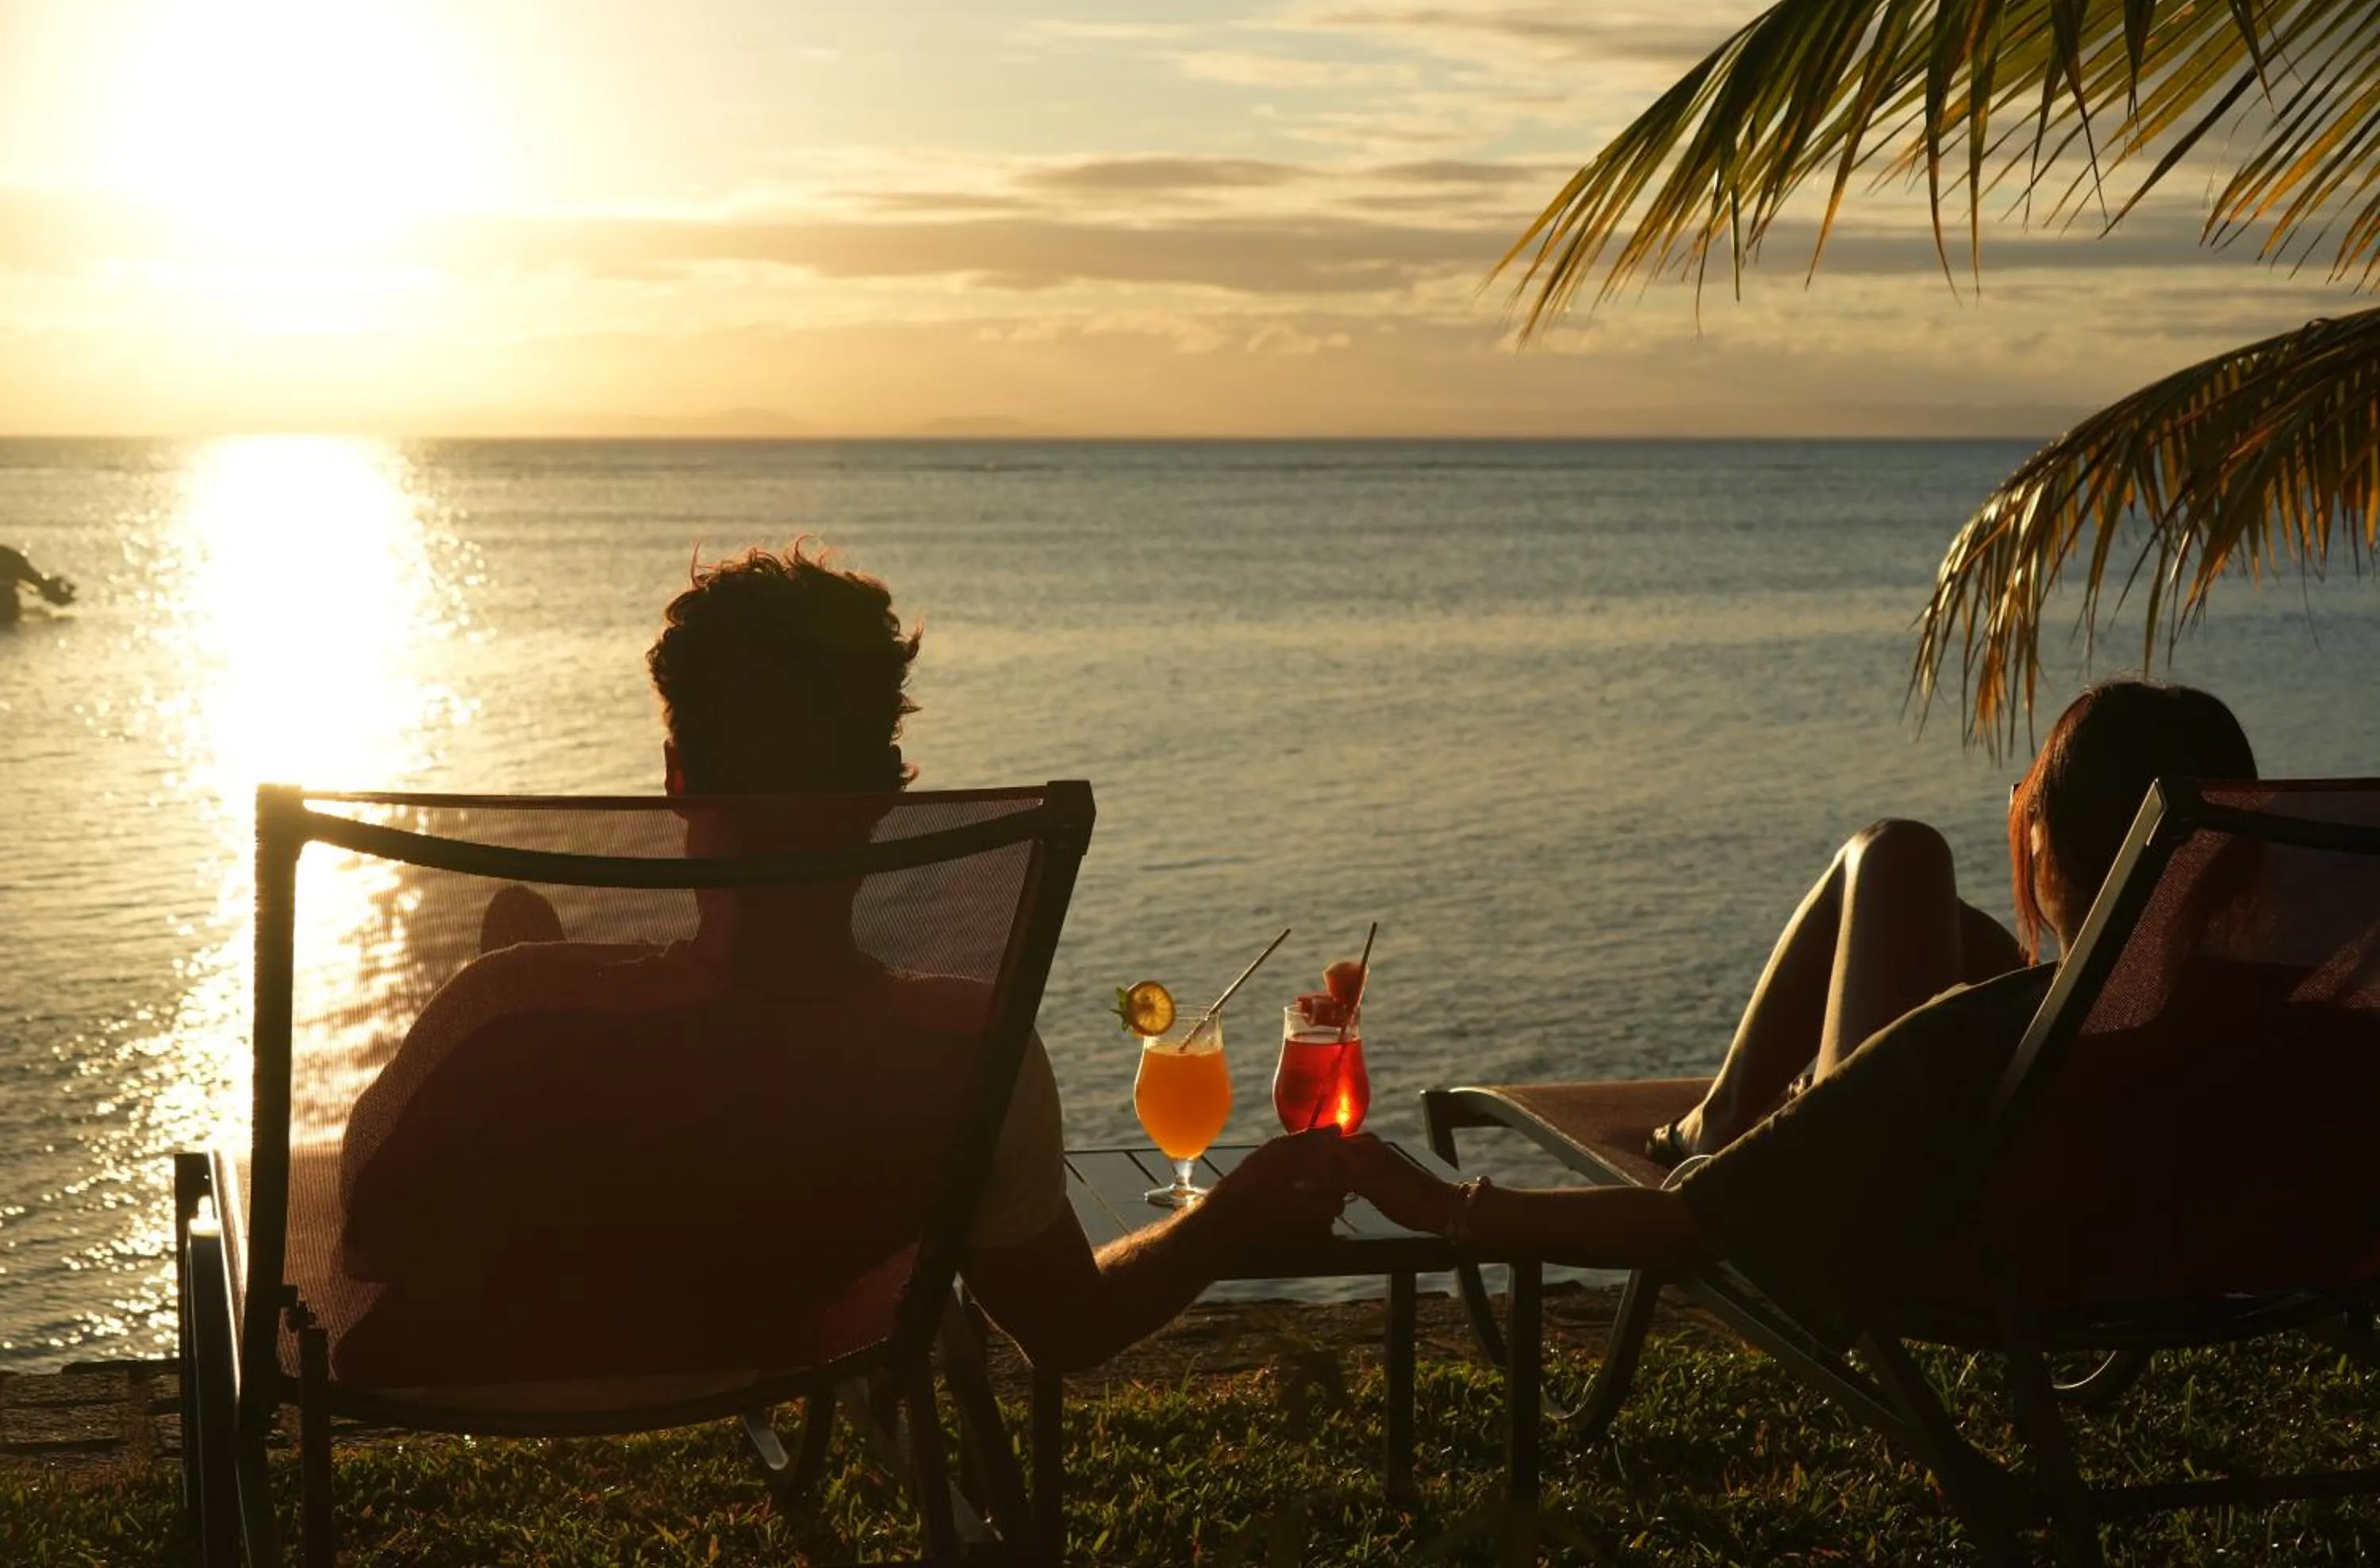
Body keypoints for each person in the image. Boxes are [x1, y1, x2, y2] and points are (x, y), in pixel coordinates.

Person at [336, 540, 1347, 1384]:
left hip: (502, 1345)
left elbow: (369, 1220)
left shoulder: (510, 1009)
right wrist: (1230, 1212)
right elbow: (1067, 1324)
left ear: (678, 783)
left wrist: (533, 1001)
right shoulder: (973, 1050)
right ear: (889, 795)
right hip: (778, 1333)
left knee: (526, 943)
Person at [1338, 680, 2259, 1338]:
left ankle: (1722, 1120)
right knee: (1909, 882)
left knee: (1895, 850)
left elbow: (1690, 1224)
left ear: (2053, 843)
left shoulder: (1982, 1035)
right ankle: (1728, 1111)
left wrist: (1442, 1201)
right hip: (2160, 1240)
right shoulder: (2284, 1017)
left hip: (1907, 1233)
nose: (2019, 815)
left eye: (2031, 803)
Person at [0, 546, 75, 625]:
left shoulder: (10, 557)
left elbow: (37, 580)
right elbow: (38, 580)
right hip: (9, 612)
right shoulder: (10, 557)